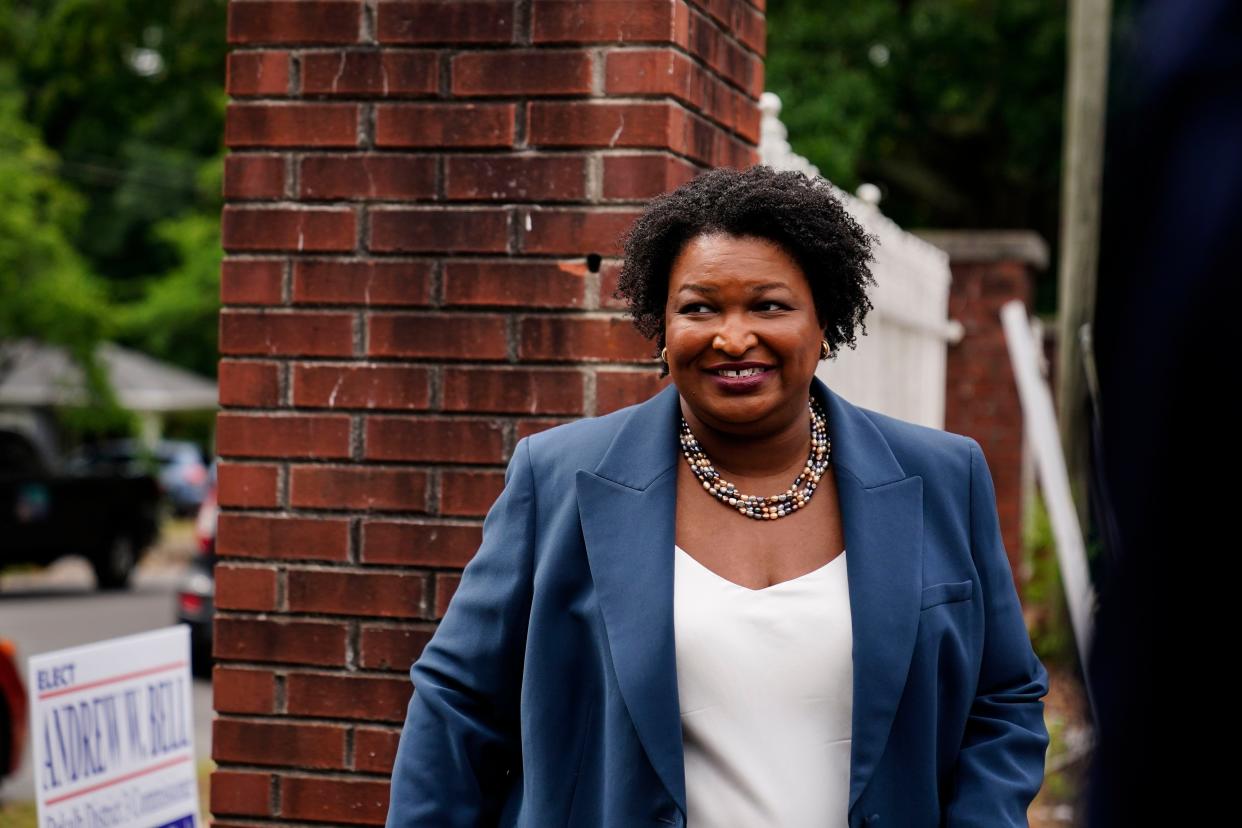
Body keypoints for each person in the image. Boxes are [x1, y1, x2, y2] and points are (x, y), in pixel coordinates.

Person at [386, 165, 1050, 828]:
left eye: (768, 305)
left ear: (825, 320)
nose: (732, 338)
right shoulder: (559, 477)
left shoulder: (941, 476)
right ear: (663, 324)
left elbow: (1003, 699)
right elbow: (457, 704)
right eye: (699, 307)